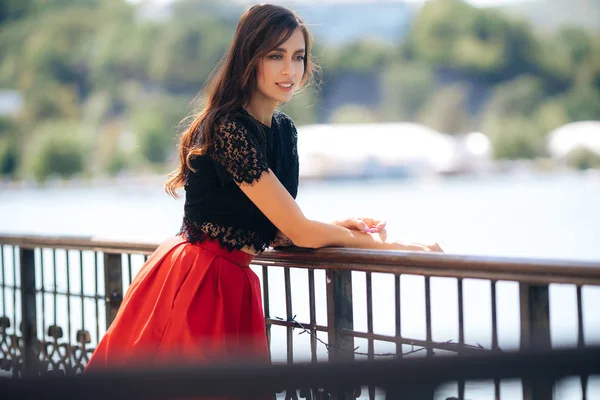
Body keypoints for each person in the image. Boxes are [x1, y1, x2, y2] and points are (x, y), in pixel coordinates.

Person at [85, 3, 442, 372]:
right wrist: (387, 245)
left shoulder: (284, 133)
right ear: (250, 58)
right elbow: (297, 228)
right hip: (198, 283)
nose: (290, 70)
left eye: (298, 57)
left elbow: (278, 230)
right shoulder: (228, 128)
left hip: (232, 282)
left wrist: (339, 227)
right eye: (276, 56)